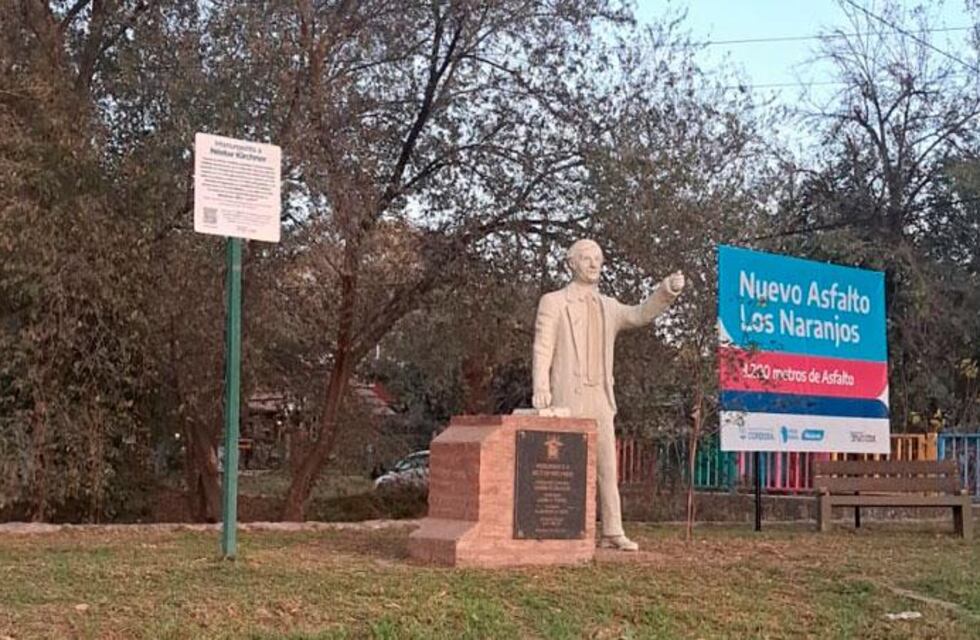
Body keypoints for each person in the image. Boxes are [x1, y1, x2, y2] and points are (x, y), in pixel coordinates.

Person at [532, 239, 685, 551]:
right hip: (568, 394)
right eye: (586, 258)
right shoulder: (553, 302)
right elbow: (543, 347)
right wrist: (541, 385)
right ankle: (563, 528)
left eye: (598, 259)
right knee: (566, 464)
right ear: (571, 263)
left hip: (600, 396)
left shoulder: (609, 307)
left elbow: (640, 314)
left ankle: (613, 531)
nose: (593, 264)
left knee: (607, 466)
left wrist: (666, 291)